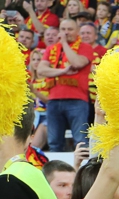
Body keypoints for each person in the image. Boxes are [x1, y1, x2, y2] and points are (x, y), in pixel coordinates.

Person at [36, 18, 95, 152]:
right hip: (53, 100)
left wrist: (64, 44)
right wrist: (62, 71)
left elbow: (77, 63)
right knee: (54, 142)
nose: (66, 32)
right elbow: (41, 70)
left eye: (70, 29)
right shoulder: (51, 49)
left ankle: (81, 165)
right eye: (63, 29)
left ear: (77, 31)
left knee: (80, 141)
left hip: (77, 100)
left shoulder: (85, 47)